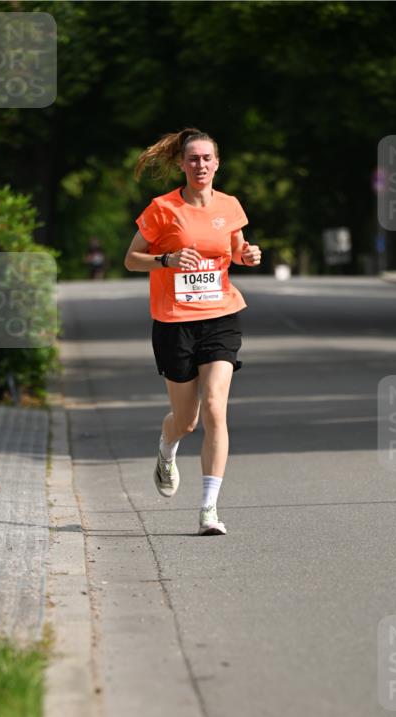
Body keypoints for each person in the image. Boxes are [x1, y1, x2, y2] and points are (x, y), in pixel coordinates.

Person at [124, 128, 261, 535]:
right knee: (186, 420)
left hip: (221, 316)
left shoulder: (229, 205)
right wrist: (165, 260)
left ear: (217, 163)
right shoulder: (162, 209)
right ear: (182, 165)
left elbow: (235, 249)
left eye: (207, 158)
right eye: (193, 159)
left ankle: (208, 509)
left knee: (216, 407)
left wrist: (248, 255)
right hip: (175, 322)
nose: (201, 165)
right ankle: (167, 448)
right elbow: (131, 259)